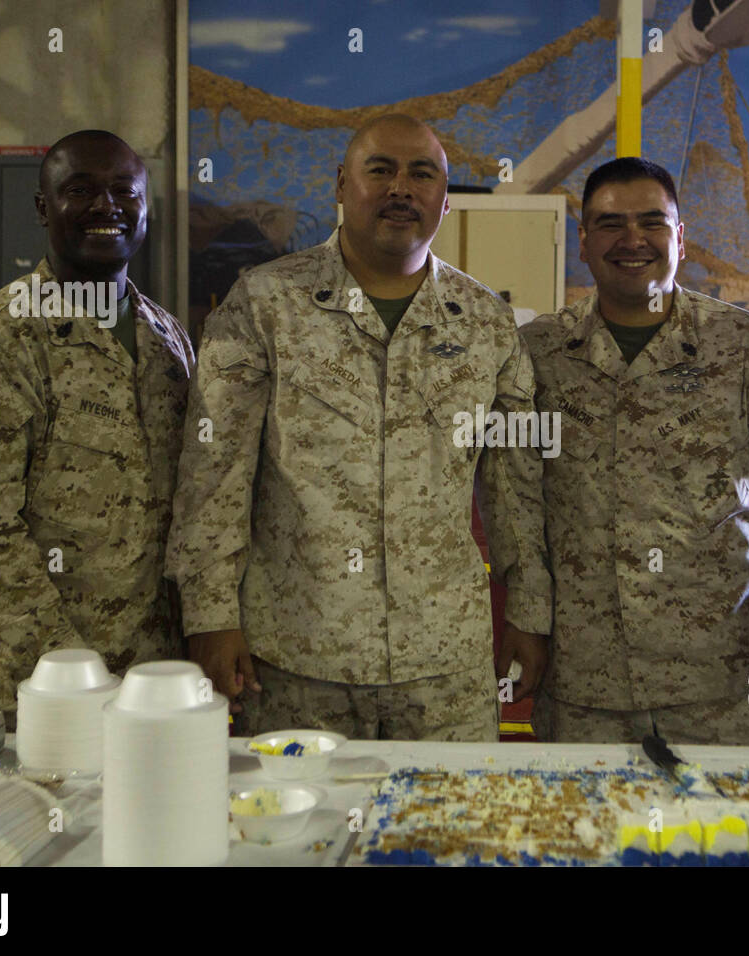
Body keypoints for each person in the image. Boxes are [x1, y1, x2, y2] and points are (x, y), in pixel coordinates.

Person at [167, 114, 551, 740]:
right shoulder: (264, 305)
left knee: (447, 832)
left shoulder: (485, 322)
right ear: (341, 186)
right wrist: (209, 618)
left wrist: (530, 613)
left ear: (445, 201)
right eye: (381, 171)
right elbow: (214, 473)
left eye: (421, 174)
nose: (402, 188)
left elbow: (515, 488)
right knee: (299, 831)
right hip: (297, 661)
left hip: (443, 669)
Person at [520, 157, 749, 744]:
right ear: (583, 242)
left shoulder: (744, 346)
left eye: (652, 222)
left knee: (740, 836)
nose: (632, 239)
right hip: (585, 689)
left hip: (725, 684)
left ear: (681, 238)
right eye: (610, 224)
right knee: (585, 836)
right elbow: (512, 497)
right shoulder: (537, 353)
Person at [0, 130, 194, 722]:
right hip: (43, 690)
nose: (107, 206)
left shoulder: (168, 341)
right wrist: (72, 667)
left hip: (161, 683)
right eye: (81, 190)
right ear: (44, 207)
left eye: (125, 191)